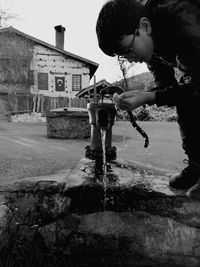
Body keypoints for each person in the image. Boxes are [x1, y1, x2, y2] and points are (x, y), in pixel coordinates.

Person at [96, 0, 200, 199]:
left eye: (128, 50)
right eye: (122, 56)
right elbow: (169, 89)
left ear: (144, 26)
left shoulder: (181, 17)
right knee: (186, 99)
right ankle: (197, 166)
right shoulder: (149, 46)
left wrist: (150, 97)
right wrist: (143, 97)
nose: (129, 59)